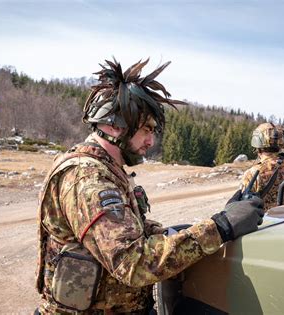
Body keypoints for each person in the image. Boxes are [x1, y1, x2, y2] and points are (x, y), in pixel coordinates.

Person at [35, 58, 265, 314]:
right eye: (146, 129)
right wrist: (220, 228)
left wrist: (191, 229)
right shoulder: (87, 179)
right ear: (114, 124)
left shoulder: (109, 170)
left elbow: (132, 232)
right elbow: (133, 264)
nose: (150, 141)